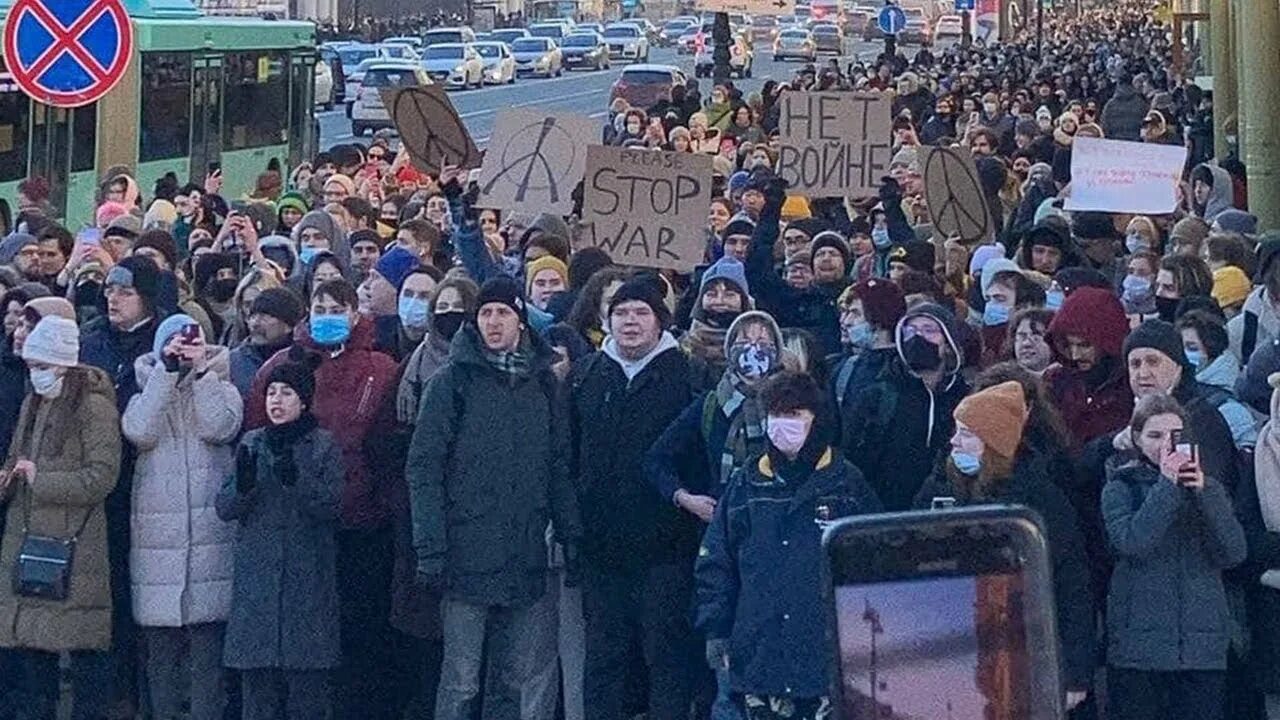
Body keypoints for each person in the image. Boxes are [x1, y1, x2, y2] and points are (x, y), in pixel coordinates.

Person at [406, 276, 582, 720]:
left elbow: (557, 467)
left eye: (503, 312)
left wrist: (570, 535)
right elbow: (423, 467)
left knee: (513, 681)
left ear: (521, 321)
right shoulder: (452, 382)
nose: (493, 321)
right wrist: (430, 547)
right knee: (461, 680)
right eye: (485, 313)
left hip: (523, 552)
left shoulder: (543, 385)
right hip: (464, 552)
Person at [245, 278, 400, 720]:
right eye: (319, 306)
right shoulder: (280, 366)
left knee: (358, 632)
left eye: (337, 306)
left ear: (355, 314)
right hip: (296, 527)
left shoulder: (381, 368)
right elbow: (257, 432)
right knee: (302, 642)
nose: (327, 314)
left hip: (361, 521)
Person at [695, 371, 881, 720]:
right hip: (760, 655)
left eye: (793, 415)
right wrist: (716, 628)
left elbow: (874, 563)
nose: (782, 425)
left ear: (815, 418)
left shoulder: (846, 483)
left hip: (827, 659)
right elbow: (716, 561)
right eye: (775, 415)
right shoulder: (746, 484)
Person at [913, 380, 1095, 710]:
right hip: (955, 652)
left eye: (966, 433)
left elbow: (1072, 585)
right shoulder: (940, 488)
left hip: (1023, 651)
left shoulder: (1041, 500)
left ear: (993, 442)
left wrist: (1076, 674)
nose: (954, 441)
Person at [568, 275, 700, 720]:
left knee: (665, 660)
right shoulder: (587, 374)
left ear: (660, 321)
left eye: (641, 312)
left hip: (666, 549)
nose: (630, 321)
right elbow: (569, 451)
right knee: (603, 660)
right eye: (621, 312)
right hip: (600, 548)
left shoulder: (687, 376)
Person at [122, 313, 243, 720]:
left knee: (208, 659)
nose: (182, 346)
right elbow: (139, 430)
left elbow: (219, 427)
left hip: (211, 543)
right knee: (160, 660)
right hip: (157, 546)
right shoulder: (144, 392)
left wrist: (202, 372)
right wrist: (166, 373)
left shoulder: (223, 389)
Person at [0, 315, 121, 720]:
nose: (36, 375)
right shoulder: (32, 404)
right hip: (28, 541)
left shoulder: (93, 407)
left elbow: (102, 476)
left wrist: (42, 479)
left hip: (73, 548)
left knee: (80, 652)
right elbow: (18, 460)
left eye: (43, 366)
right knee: (33, 662)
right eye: (32, 366)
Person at [1102, 393, 1246, 720]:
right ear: (1137, 438)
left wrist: (1204, 494)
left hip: (1201, 650)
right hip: (1140, 653)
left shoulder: (1209, 489)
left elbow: (1234, 553)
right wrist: (1167, 486)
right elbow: (1133, 543)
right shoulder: (1120, 487)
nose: (1163, 445)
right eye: (1154, 436)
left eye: (1173, 436)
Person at [217, 359, 344, 720]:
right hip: (257, 591)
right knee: (257, 696)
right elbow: (225, 508)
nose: (277, 400)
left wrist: (297, 480)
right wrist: (243, 487)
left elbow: (332, 505)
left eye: (287, 393)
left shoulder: (322, 445)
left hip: (306, 587)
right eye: (272, 392)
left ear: (304, 401)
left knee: (308, 695)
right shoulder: (252, 442)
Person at [840, 303, 969, 511]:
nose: (918, 337)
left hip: (947, 519)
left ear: (948, 344)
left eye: (929, 330)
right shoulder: (877, 396)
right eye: (910, 331)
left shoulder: (965, 397)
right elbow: (853, 462)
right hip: (884, 519)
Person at [1044, 287, 1134, 448]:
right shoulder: (1056, 382)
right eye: (1067, 345)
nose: (1075, 355)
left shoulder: (1130, 385)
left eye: (1085, 345)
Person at [227, 287, 305, 400]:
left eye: (266, 317)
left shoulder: (304, 360)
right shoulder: (233, 362)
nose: (255, 323)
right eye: (252, 316)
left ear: (288, 325)